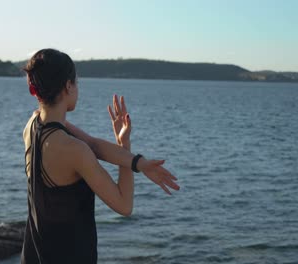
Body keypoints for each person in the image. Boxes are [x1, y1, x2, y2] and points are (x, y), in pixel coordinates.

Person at [20, 48, 180, 263]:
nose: (78, 88)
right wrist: (125, 147)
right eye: (76, 82)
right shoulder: (73, 149)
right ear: (68, 85)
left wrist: (138, 162)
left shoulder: (33, 124)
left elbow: (94, 145)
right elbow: (124, 205)